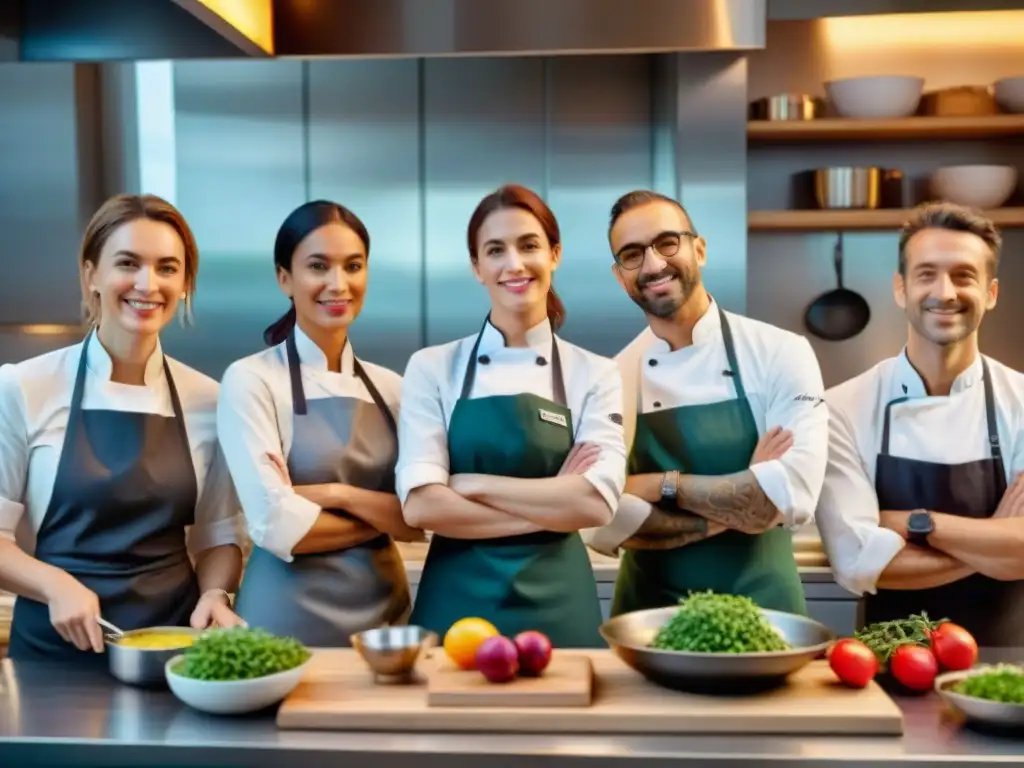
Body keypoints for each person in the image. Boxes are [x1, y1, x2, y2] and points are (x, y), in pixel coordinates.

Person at [0, 193, 246, 661]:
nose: (147, 283)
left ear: (185, 284)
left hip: (173, 652)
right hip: (53, 651)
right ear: (91, 274)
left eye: (167, 268)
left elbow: (219, 537)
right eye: (128, 263)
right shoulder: (24, 386)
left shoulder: (211, 401)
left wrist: (216, 594)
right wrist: (56, 585)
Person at [397, 184, 627, 647]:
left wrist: (472, 484)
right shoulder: (433, 367)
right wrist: (554, 505)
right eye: (495, 250)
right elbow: (421, 506)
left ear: (555, 254)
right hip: (456, 604)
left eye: (529, 246)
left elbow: (596, 506)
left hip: (560, 603)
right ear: (477, 267)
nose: (514, 264)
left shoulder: (596, 373)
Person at [584, 190, 829, 618]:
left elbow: (783, 500)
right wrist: (747, 490)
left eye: (667, 243)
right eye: (633, 254)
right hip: (649, 619)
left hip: (765, 613)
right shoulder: (610, 378)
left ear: (699, 249)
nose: (654, 264)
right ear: (620, 276)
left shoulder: (781, 352)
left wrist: (659, 485)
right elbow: (601, 516)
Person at [816, 202, 1024, 646]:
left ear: (990, 292)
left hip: (1007, 664)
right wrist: (995, 546)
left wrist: (916, 523)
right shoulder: (842, 408)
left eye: (964, 276)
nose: (945, 292)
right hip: (888, 664)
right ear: (901, 288)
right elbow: (856, 562)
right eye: (927, 274)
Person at [217, 200, 420, 647]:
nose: (338, 284)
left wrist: (336, 494)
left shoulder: (394, 389)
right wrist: (383, 516)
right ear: (284, 278)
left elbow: (420, 517)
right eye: (318, 266)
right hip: (283, 628)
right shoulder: (251, 381)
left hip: (386, 628)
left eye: (353, 266)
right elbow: (275, 526)